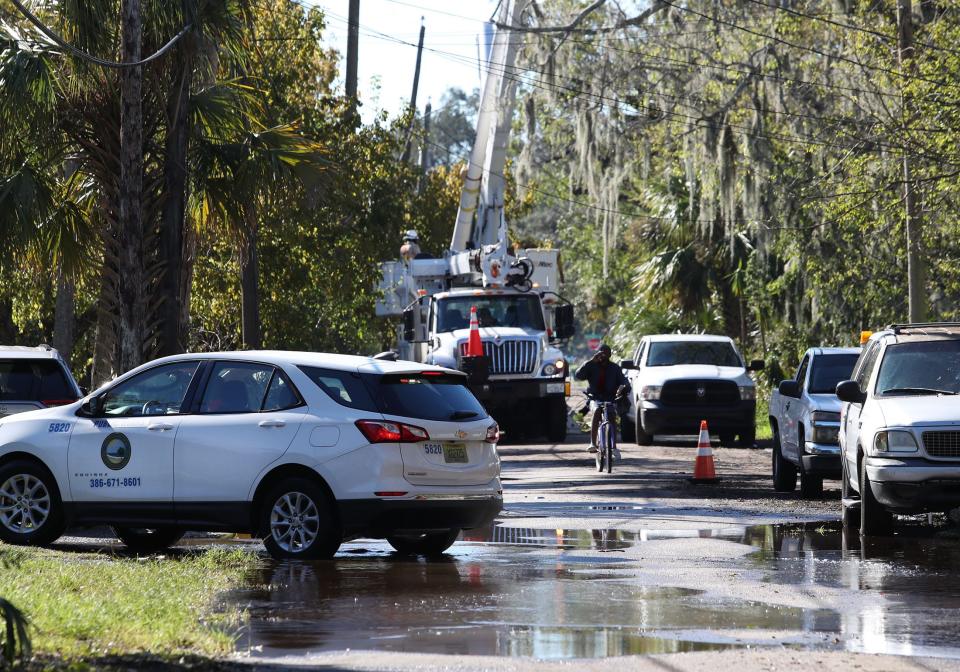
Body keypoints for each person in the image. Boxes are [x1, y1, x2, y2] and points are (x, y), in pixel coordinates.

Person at [575, 344, 630, 457]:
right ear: (597, 353)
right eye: (601, 353)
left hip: (610, 398)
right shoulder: (591, 366)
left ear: (610, 354)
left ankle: (613, 447)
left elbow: (623, 380)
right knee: (596, 411)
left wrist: (624, 387)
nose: (603, 355)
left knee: (611, 416)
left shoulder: (615, 368)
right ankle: (593, 443)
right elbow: (579, 376)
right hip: (594, 398)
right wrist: (590, 361)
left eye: (606, 352)